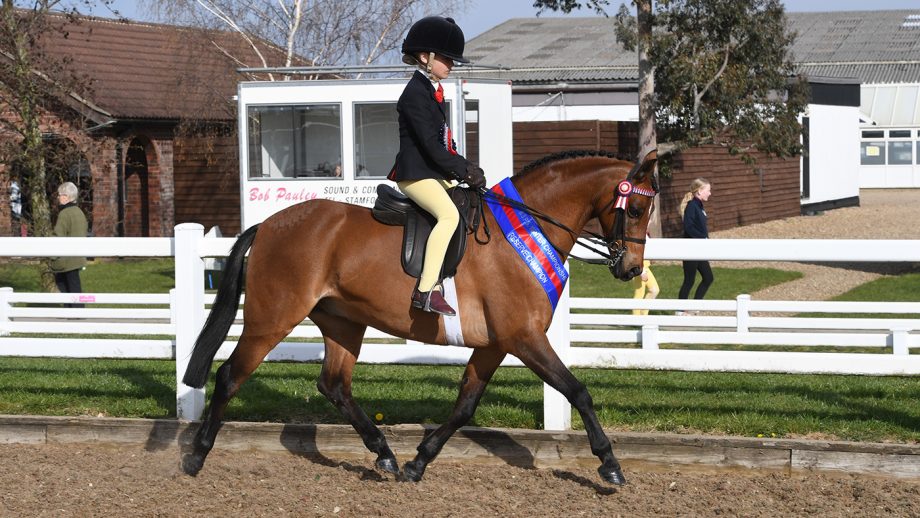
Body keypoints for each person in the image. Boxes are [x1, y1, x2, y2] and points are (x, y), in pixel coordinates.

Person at [387, 16, 486, 316]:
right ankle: (426, 289)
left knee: (469, 201)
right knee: (448, 216)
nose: (451, 64)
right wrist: (464, 169)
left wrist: (465, 168)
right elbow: (430, 146)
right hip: (415, 175)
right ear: (424, 57)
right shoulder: (414, 95)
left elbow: (443, 144)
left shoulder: (431, 91)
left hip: (431, 172)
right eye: (446, 58)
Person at [677, 178, 713, 313]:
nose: (710, 193)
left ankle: (695, 306)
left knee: (708, 278)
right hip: (691, 249)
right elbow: (689, 227)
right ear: (699, 191)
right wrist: (703, 238)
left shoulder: (699, 205)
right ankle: (680, 310)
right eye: (708, 190)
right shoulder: (692, 206)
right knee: (689, 280)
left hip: (699, 250)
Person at [50, 182, 88, 308]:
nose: (58, 198)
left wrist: (51, 254)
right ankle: (76, 311)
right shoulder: (79, 212)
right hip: (78, 256)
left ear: (66, 197)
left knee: (63, 284)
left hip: (66, 259)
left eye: (60, 195)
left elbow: (58, 236)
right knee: (74, 285)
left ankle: (72, 311)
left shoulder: (64, 214)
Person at [631, 234, 659, 316]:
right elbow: (635, 253)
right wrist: (642, 272)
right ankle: (636, 318)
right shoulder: (637, 233)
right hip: (639, 268)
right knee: (639, 293)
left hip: (645, 267)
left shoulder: (644, 233)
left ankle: (643, 315)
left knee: (654, 290)